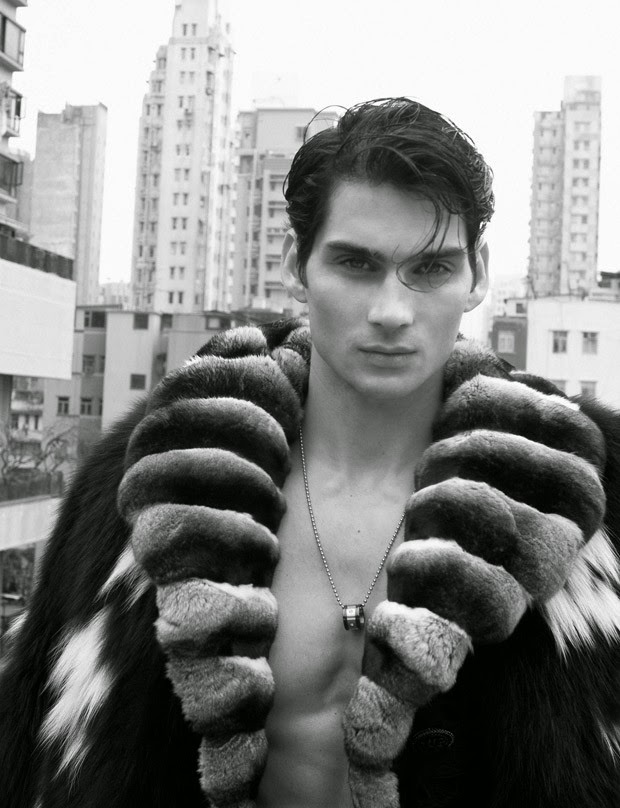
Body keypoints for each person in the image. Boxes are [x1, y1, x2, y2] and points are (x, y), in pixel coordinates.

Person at [1, 98, 619, 808]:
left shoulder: (574, 501)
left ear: (476, 274)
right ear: (297, 265)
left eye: (431, 268)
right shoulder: (151, 488)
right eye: (356, 264)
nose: (391, 311)